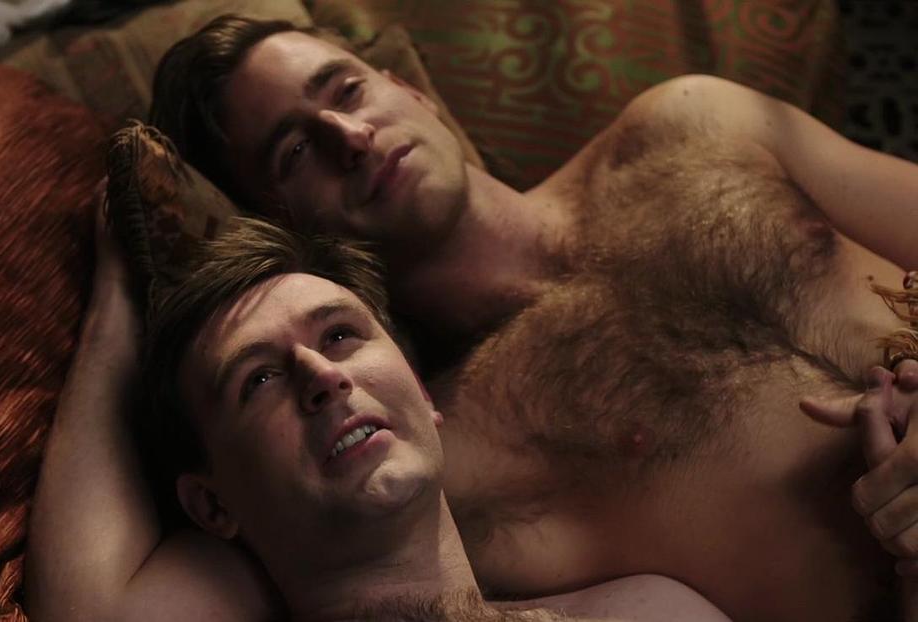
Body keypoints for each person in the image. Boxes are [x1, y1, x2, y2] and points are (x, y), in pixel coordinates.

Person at [146, 14, 918, 621]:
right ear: (277, 226)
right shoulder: (431, 460)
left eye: (346, 92)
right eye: (294, 154)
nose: (349, 138)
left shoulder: (692, 121)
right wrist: (119, 296)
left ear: (405, 88)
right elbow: (120, 603)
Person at [24, 215, 733, 621]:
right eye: (259, 378)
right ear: (212, 504)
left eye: (340, 335)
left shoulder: (646, 611)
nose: (323, 376)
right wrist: (117, 298)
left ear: (421, 394)